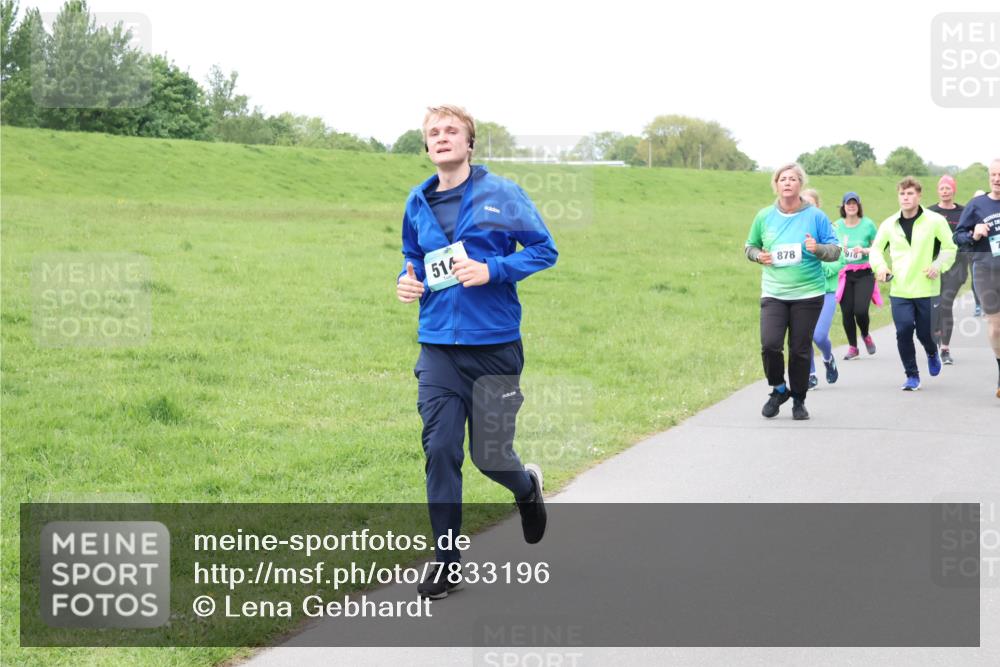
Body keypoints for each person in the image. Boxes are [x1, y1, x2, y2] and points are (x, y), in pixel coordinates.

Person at [396, 104, 557, 598]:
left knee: (490, 457)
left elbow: (543, 249)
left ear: (469, 143)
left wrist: (494, 271)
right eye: (433, 133)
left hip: (494, 348)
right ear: (427, 147)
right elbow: (413, 257)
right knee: (440, 451)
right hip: (438, 348)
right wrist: (407, 280)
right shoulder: (417, 202)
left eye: (451, 131)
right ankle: (446, 562)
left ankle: (526, 487)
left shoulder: (501, 194)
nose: (441, 138)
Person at [745, 164, 841, 420]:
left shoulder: (815, 217)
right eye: (782, 179)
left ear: (800, 184)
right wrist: (758, 256)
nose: (787, 183)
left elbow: (835, 251)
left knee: (799, 349)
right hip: (774, 292)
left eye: (793, 179)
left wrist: (817, 248)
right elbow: (750, 246)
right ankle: (778, 389)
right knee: (770, 345)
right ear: (776, 184)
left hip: (808, 294)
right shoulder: (764, 216)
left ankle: (799, 399)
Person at [869, 177, 957, 391]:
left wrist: (937, 265)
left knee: (926, 334)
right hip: (900, 289)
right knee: (904, 330)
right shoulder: (889, 224)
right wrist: (880, 267)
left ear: (919, 196)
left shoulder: (935, 220)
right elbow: (876, 250)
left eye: (910, 193)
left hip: (927, 288)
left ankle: (931, 352)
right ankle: (912, 375)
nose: (906, 197)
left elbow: (950, 248)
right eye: (902, 194)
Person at [953, 159, 1000, 398]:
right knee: (995, 327)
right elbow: (957, 236)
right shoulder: (977, 205)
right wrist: (973, 234)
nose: (997, 178)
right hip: (985, 270)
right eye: (993, 174)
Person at [800, 188, 841, 389]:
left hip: (826, 292)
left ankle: (828, 358)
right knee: (804, 335)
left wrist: (816, 262)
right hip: (804, 291)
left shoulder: (829, 229)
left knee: (818, 335)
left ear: (818, 206)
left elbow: (836, 264)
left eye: (810, 204)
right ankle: (811, 374)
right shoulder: (796, 230)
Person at [834, 192, 881, 360]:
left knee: (860, 310)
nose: (851, 206)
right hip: (844, 274)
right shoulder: (837, 226)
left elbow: (879, 247)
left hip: (864, 273)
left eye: (854, 203)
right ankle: (853, 347)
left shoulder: (868, 225)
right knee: (847, 312)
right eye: (848, 203)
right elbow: (830, 246)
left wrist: (864, 250)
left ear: (859, 206)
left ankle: (866, 335)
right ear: (843, 206)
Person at [928, 175, 966, 364]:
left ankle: (945, 349)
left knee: (945, 303)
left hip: (957, 266)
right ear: (938, 191)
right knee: (935, 304)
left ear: (953, 190)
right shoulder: (929, 212)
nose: (945, 191)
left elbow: (970, 235)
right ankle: (935, 334)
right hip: (934, 265)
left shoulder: (964, 212)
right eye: (942, 188)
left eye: (948, 188)